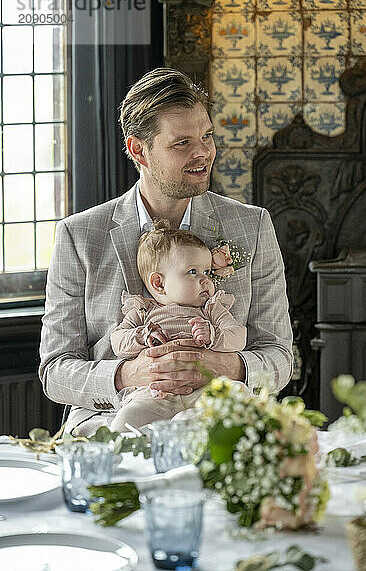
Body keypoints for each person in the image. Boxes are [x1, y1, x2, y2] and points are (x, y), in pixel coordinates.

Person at [39, 67, 293, 437]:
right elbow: (54, 371)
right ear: (138, 149)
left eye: (207, 136)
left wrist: (225, 367)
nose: (203, 153)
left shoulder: (252, 227)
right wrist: (130, 374)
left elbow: (280, 356)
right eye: (182, 143)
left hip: (222, 424)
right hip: (111, 426)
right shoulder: (78, 236)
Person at [109, 221, 247, 431]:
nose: (205, 280)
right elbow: (118, 342)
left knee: (240, 394)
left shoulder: (211, 309)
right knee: (126, 418)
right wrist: (142, 335)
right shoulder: (143, 311)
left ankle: (188, 426)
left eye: (208, 272)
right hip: (155, 394)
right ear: (159, 283)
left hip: (205, 391)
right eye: (193, 272)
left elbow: (238, 336)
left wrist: (213, 335)